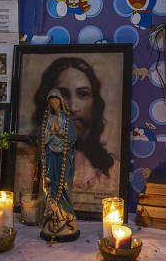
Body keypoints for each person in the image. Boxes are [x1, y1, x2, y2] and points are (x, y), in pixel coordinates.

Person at [31, 58, 115, 192]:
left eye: (82, 94)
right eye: (62, 94)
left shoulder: (113, 174)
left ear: (95, 104)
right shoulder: (25, 167)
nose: (72, 107)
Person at [38, 89, 79, 242]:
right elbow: (40, 135)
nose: (54, 105)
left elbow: (73, 135)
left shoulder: (66, 118)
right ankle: (51, 214)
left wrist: (61, 135)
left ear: (61, 102)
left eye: (56, 102)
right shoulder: (47, 118)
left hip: (63, 156)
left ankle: (65, 215)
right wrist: (49, 134)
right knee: (49, 183)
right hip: (50, 156)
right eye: (52, 102)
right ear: (49, 103)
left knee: (63, 185)